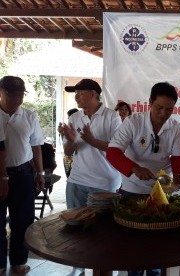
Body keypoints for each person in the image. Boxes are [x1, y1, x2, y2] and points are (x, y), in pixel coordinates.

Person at [106, 82, 180, 276]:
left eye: (169, 109)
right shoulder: (133, 122)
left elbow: (177, 158)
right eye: (159, 108)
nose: (164, 113)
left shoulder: (175, 127)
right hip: (132, 188)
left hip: (160, 188)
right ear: (150, 103)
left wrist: (178, 179)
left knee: (157, 245)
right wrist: (134, 168)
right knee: (133, 245)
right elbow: (113, 153)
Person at [60, 78, 122, 276]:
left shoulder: (112, 117)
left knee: (102, 232)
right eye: (74, 93)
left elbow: (117, 149)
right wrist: (70, 140)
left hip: (104, 183)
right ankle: (77, 267)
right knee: (75, 228)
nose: (76, 96)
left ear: (94, 95)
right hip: (77, 180)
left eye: (80, 92)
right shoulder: (75, 118)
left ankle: (102, 268)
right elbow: (69, 152)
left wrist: (93, 140)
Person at [0, 76, 45, 274]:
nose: (18, 99)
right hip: (0, 176)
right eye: (13, 94)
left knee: (23, 222)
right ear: (2, 91)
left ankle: (18, 262)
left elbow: (36, 147)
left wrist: (40, 172)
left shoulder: (29, 116)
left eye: (21, 94)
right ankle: (0, 265)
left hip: (23, 174)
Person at [59, 108, 79, 178]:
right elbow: (65, 142)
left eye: (69, 117)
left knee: (71, 176)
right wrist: (61, 132)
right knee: (69, 176)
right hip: (68, 157)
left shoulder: (77, 128)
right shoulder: (67, 128)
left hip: (73, 158)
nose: (68, 119)